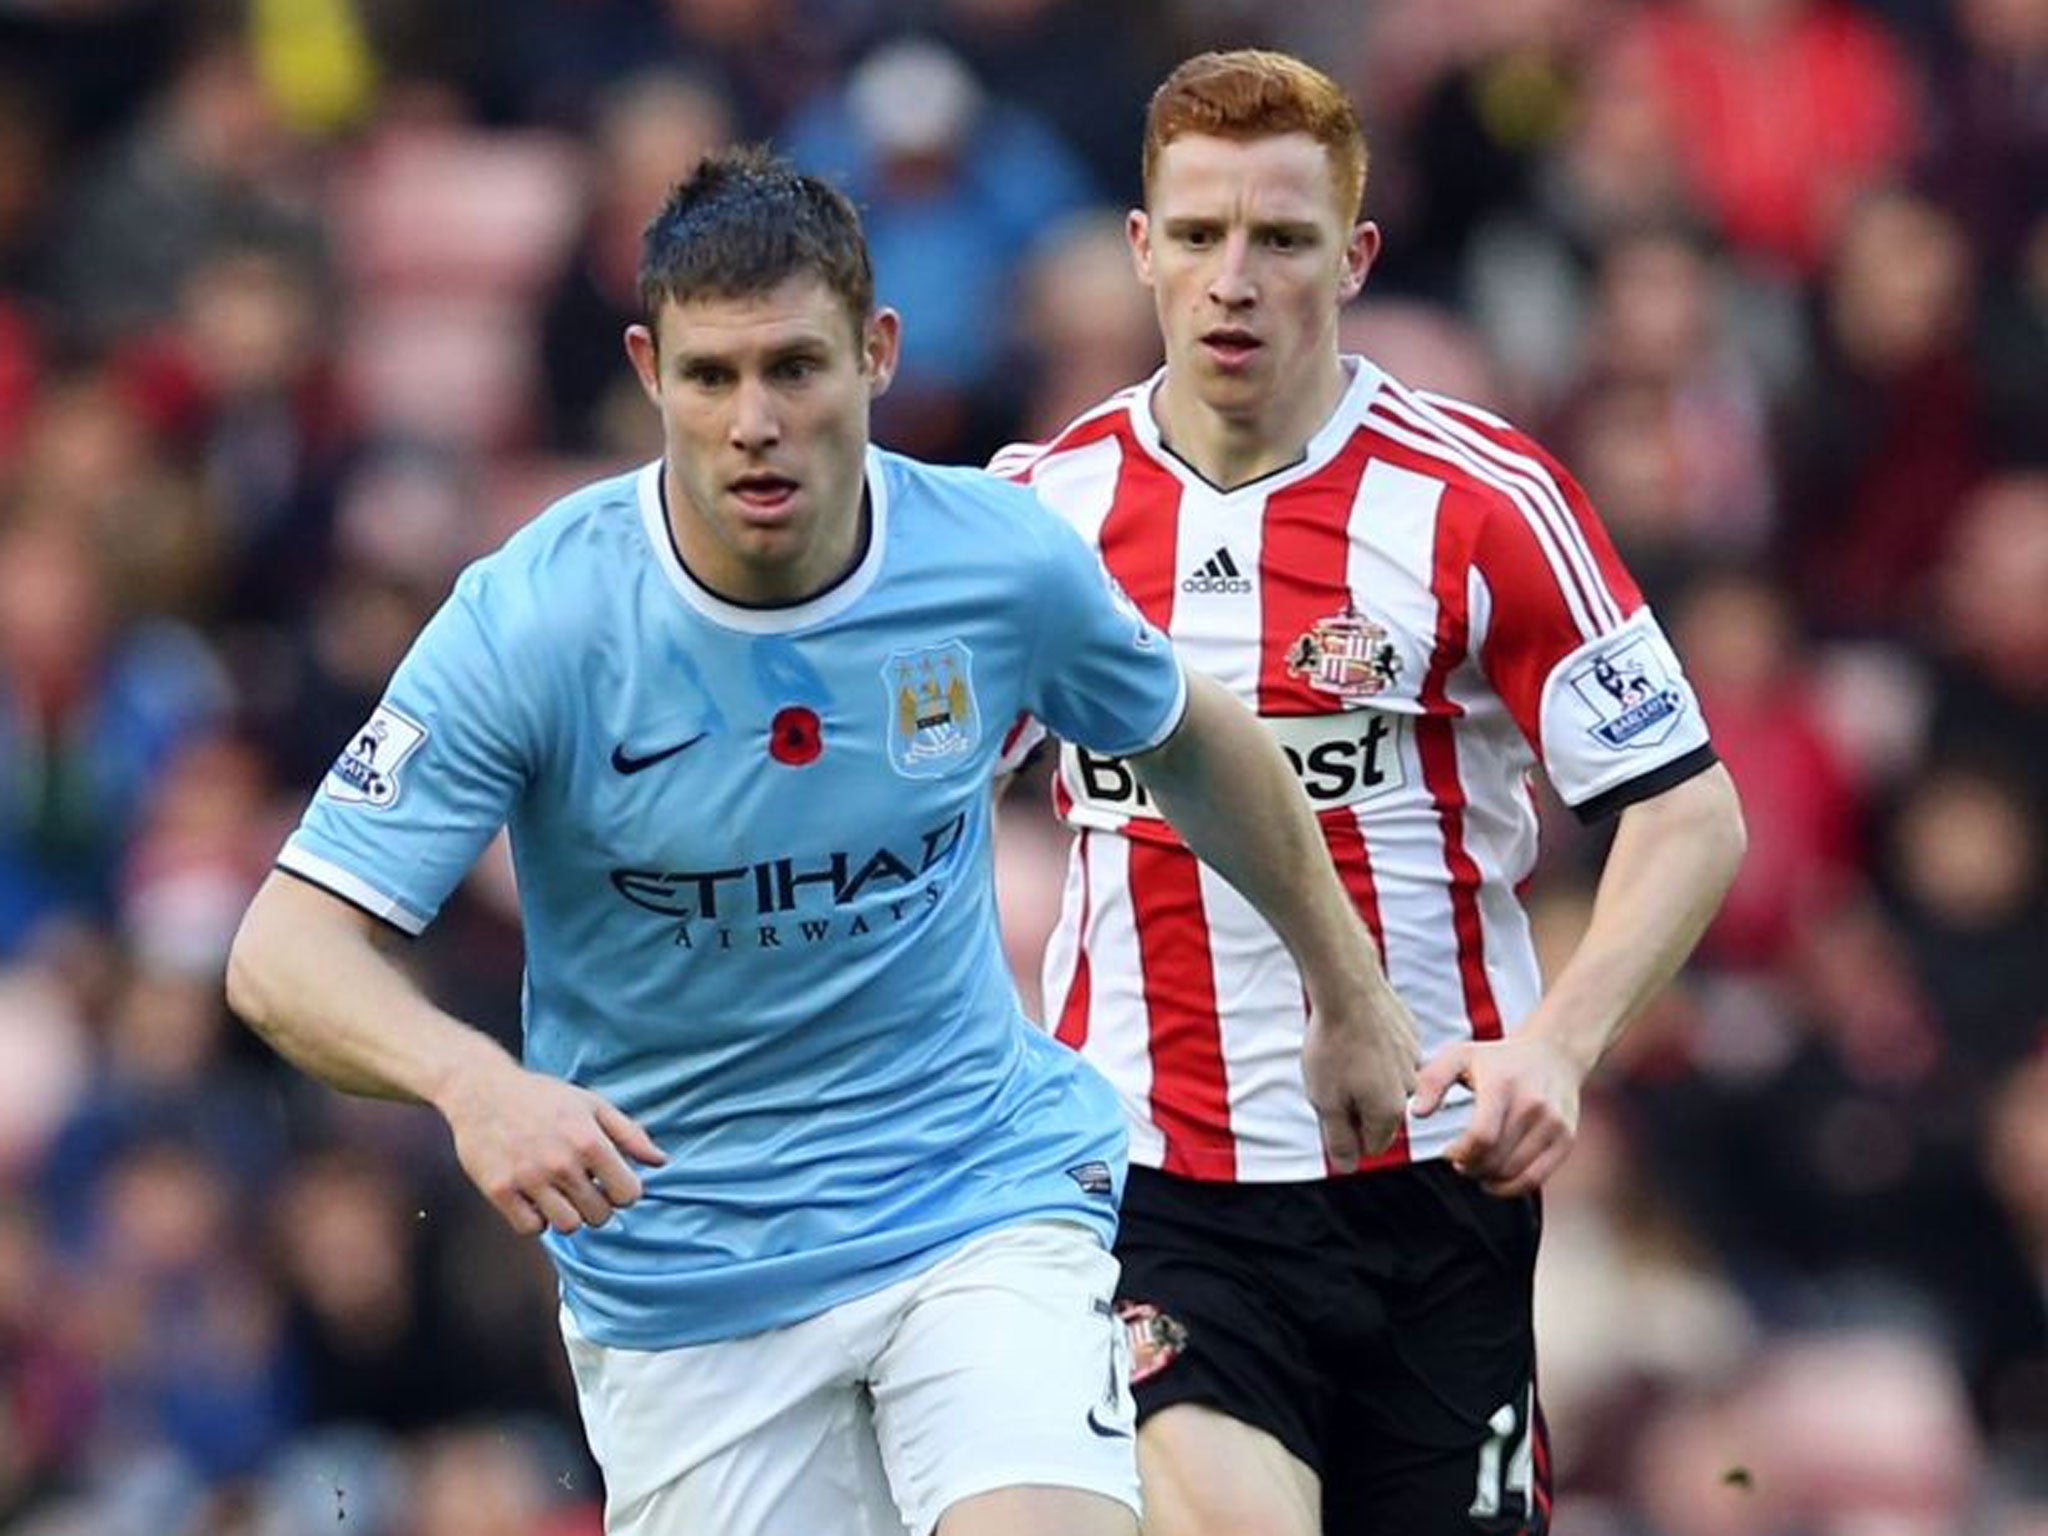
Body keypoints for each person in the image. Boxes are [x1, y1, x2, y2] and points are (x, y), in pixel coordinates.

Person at [224, 146, 1419, 1536]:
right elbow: (280, 951)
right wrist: (470, 1083)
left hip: (975, 1200)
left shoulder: (995, 562)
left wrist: (1349, 988)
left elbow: (1194, 736)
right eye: (711, 377)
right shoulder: (536, 619)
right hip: (690, 1291)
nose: (753, 422)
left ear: (878, 354)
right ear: (645, 370)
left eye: (796, 369)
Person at [990, 51, 1747, 1536]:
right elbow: (911, 810)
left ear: (1356, 256)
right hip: (1149, 1183)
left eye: (1280, 238)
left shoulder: (1480, 501)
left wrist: (1560, 1048)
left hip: (1433, 1187)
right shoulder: (1037, 521)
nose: (1234, 280)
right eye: (1198, 237)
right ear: (1141, 250)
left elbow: (1688, 810)